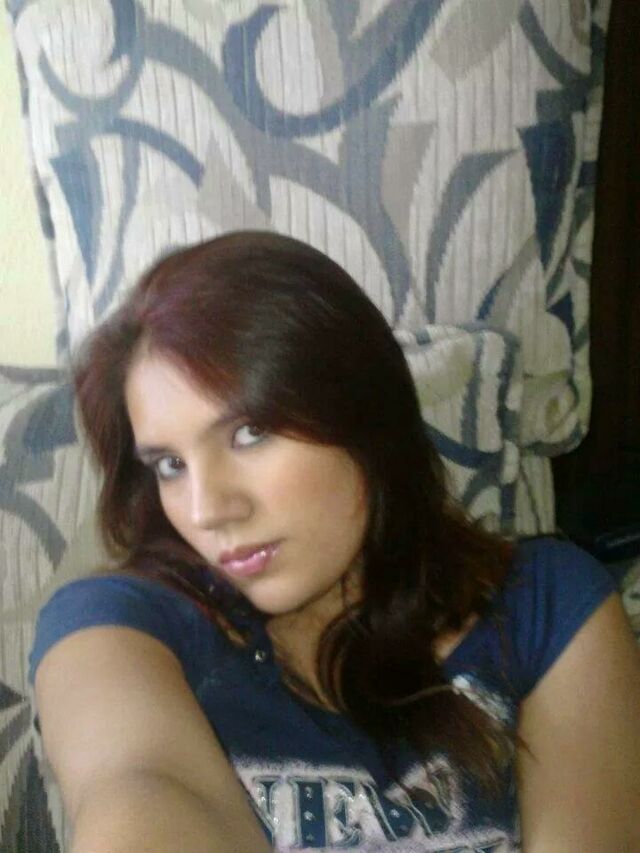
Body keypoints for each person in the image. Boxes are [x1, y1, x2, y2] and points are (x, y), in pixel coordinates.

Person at [30, 231, 640, 852]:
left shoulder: (546, 603)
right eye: (170, 465)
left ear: (364, 412)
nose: (206, 510)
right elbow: (138, 786)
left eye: (250, 433)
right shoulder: (116, 624)